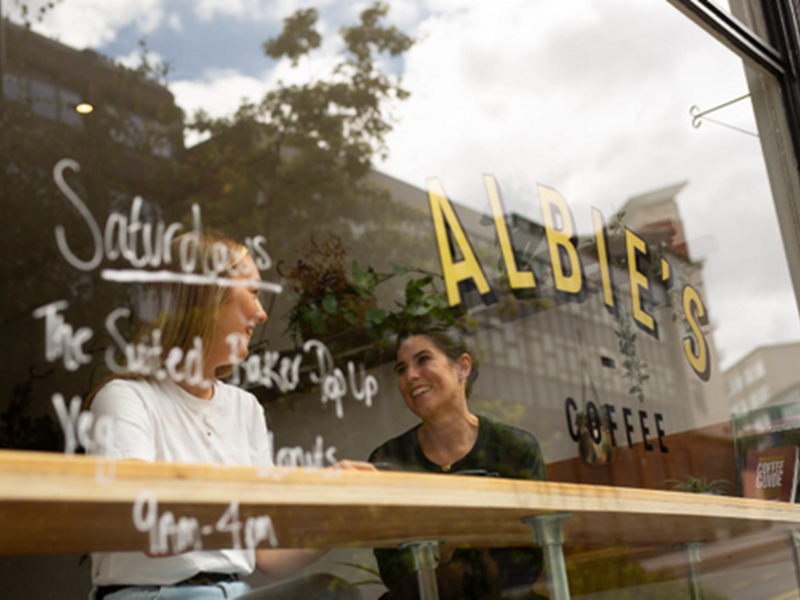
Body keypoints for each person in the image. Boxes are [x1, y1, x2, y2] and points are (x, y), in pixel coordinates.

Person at [87, 232, 363, 600]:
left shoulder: (244, 408)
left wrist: (342, 517)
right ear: (205, 297)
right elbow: (143, 524)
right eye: (252, 291)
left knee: (331, 592)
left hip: (233, 593)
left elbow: (264, 551)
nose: (262, 313)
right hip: (151, 596)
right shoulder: (125, 399)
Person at [368, 322, 547, 600]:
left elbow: (529, 563)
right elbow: (393, 572)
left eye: (423, 360)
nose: (410, 375)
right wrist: (446, 545)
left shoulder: (515, 448)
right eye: (401, 369)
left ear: (462, 367)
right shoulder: (388, 460)